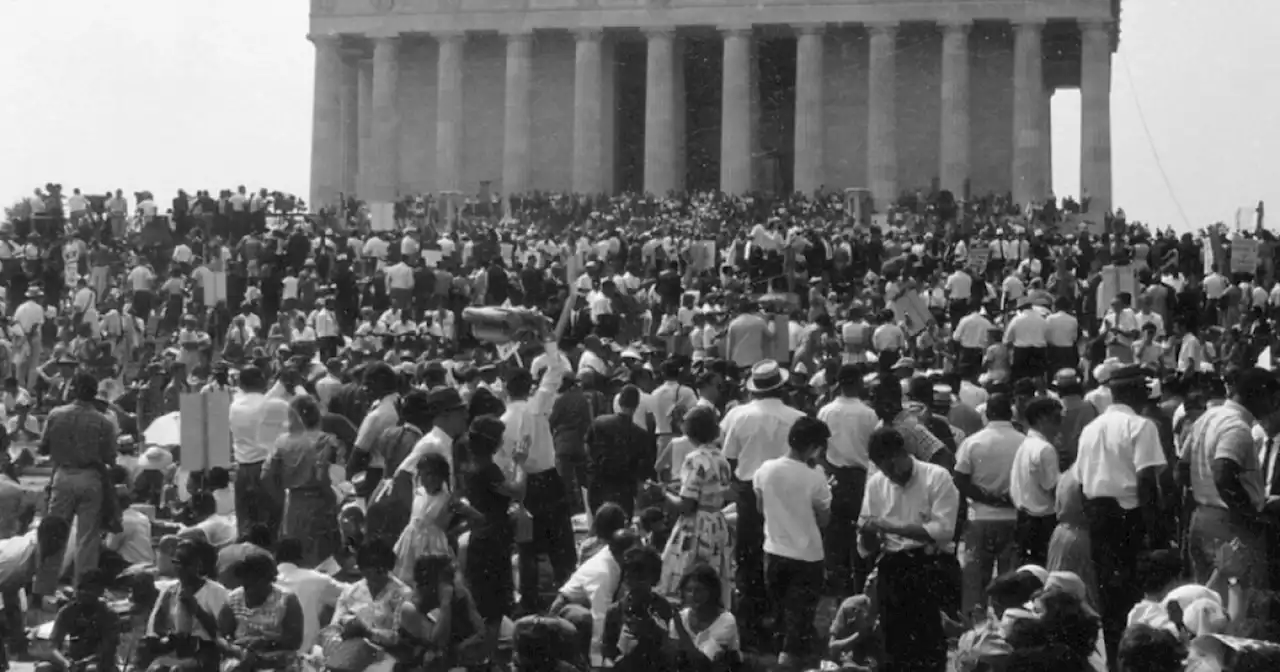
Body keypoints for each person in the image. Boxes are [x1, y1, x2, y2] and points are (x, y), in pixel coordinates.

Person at [1074, 364, 1168, 658]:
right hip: (1130, 518)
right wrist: (1157, 535)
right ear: (1135, 392)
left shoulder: (1090, 429)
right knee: (1137, 600)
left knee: (1109, 601)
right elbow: (1146, 482)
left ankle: (1118, 661)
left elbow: (1080, 482)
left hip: (1098, 516)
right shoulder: (1141, 425)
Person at [858, 426, 960, 672]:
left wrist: (890, 526)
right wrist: (868, 533)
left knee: (932, 639)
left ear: (903, 453)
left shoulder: (936, 477)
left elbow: (943, 529)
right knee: (894, 639)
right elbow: (867, 544)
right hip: (893, 565)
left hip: (932, 564)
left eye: (893, 466)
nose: (891, 474)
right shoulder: (876, 484)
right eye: (884, 469)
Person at [720, 360, 806, 641]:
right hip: (787, 490)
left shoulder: (737, 416)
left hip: (749, 490)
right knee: (785, 551)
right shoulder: (797, 417)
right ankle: (781, 619)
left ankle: (752, 620)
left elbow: (728, 457)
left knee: (749, 556)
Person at [502, 344, 577, 615]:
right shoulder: (537, 406)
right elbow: (557, 368)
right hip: (547, 480)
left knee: (527, 548)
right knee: (561, 545)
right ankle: (566, 596)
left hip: (523, 484)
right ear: (529, 386)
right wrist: (550, 342)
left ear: (504, 388)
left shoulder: (503, 420)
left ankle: (531, 601)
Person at [753, 415, 833, 669]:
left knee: (782, 612)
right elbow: (824, 519)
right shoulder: (815, 477)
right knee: (800, 615)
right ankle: (789, 661)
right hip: (807, 555)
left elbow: (760, 506)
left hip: (774, 550)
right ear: (813, 446)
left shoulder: (764, 469)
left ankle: (783, 657)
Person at [36, 371, 117, 595]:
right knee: (88, 539)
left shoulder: (56, 414)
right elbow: (111, 457)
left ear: (75, 389)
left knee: (54, 534)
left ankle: (43, 589)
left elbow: (43, 448)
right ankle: (83, 590)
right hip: (91, 477)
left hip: (63, 475)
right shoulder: (104, 421)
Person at [651, 405, 734, 608]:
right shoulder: (721, 458)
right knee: (713, 574)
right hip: (717, 521)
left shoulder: (694, 459)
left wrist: (662, 495)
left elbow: (686, 505)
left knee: (686, 574)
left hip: (696, 526)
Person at [954, 393, 1025, 615]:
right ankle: (1008, 628)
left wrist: (987, 498)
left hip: (980, 519)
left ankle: (974, 633)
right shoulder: (1024, 442)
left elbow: (960, 479)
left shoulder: (973, 442)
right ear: (1010, 413)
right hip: (1014, 518)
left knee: (976, 582)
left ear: (987, 414)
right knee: (1010, 583)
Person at [463, 414, 525, 665]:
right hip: (493, 544)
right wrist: (520, 463)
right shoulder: (487, 469)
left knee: (484, 605)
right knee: (494, 609)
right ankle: (486, 661)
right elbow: (517, 490)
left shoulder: (472, 467)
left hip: (481, 540)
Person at [816, 363, 879, 596]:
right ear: (859, 383)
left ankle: (839, 589)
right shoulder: (869, 413)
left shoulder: (826, 411)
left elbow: (820, 449)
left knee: (835, 538)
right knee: (861, 537)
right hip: (861, 479)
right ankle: (859, 587)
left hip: (834, 477)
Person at [263, 394, 343, 568]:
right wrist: (331, 498)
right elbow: (322, 476)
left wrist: (278, 497)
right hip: (319, 503)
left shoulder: (282, 441)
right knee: (322, 557)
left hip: (293, 503)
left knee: (296, 554)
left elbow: (266, 475)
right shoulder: (326, 440)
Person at [320, 537, 412, 671]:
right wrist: (341, 634)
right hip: (348, 654)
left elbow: (398, 638)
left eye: (379, 572)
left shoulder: (403, 595)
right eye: (368, 572)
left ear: (388, 568)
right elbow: (333, 628)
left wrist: (368, 632)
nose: (374, 577)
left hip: (385, 657)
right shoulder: (351, 592)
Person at [142, 540, 230, 672]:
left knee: (177, 670)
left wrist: (196, 609)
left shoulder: (216, 592)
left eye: (185, 563)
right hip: (175, 650)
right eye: (176, 563)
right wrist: (167, 639)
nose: (180, 568)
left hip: (206, 653)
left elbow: (222, 633)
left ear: (198, 565)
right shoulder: (169, 592)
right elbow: (155, 629)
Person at [228, 366, 290, 537]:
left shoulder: (235, 405)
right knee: (271, 523)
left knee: (245, 523)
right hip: (266, 469)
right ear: (260, 381)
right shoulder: (272, 404)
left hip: (242, 469)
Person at [397, 554, 488, 671]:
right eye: (446, 578)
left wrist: (463, 647)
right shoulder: (410, 608)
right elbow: (438, 643)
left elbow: (481, 633)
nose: (451, 583)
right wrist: (445, 603)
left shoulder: (459, 594)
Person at [216, 553, 305, 671]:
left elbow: (295, 641)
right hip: (241, 657)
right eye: (246, 585)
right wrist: (235, 650)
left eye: (255, 584)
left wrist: (265, 642)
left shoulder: (286, 600)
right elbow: (219, 636)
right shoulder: (233, 600)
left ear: (268, 580)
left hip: (277, 658)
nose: (250, 591)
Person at [1010, 397, 1064, 567]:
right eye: (1056, 419)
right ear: (1042, 419)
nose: (1059, 425)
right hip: (1042, 522)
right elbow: (1054, 489)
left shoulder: (1026, 445)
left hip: (1024, 519)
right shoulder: (1045, 449)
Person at [585, 384, 651, 518]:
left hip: (598, 485)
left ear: (619, 402)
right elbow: (643, 469)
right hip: (623, 490)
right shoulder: (641, 434)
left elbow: (587, 448)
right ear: (637, 405)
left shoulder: (599, 422)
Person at [393, 453, 460, 583]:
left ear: (442, 477)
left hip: (432, 545)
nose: (429, 479)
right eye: (425, 474)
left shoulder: (446, 499)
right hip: (410, 541)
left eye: (434, 475)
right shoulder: (418, 492)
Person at [36, 569, 119, 672]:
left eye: (89, 589)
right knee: (43, 668)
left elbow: (107, 650)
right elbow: (53, 646)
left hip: (98, 662)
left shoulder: (108, 615)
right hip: (71, 659)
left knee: (91, 670)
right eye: (81, 588)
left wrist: (85, 661)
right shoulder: (68, 611)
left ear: (100, 591)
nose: (83, 593)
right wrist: (65, 662)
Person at [274, 538, 344, 654]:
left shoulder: (264, 581)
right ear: (302, 556)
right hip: (306, 657)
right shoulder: (317, 580)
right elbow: (353, 593)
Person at [669, 564, 740, 672]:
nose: (693, 595)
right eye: (688, 590)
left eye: (699, 590)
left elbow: (703, 665)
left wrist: (680, 629)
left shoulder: (726, 621)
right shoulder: (681, 618)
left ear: (712, 591)